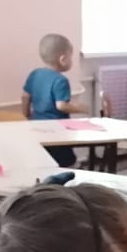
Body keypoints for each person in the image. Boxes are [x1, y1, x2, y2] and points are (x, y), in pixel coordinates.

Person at [22, 33, 86, 168]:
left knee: (43, 159)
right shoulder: (61, 80)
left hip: (36, 126)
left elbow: (25, 97)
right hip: (56, 129)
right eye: (71, 57)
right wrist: (80, 108)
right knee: (65, 161)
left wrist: (26, 115)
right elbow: (61, 106)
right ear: (63, 59)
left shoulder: (35, 74)